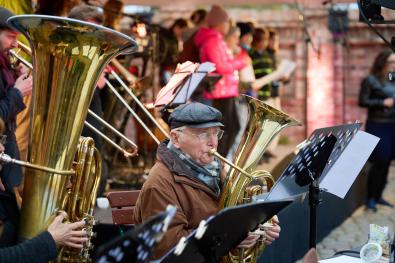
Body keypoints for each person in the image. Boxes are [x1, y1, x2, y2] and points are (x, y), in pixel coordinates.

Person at [134, 102, 281, 259]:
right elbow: (169, 250)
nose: (213, 142)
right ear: (175, 139)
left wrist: (259, 221)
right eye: (203, 134)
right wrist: (231, 236)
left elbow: (233, 218)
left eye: (216, 133)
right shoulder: (159, 184)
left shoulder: (214, 168)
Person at [194, 5, 251, 158]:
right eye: (226, 23)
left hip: (226, 90)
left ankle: (220, 163)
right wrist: (242, 62)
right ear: (219, 24)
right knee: (228, 129)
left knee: (231, 128)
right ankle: (218, 163)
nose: (228, 26)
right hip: (220, 92)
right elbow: (221, 66)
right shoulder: (213, 41)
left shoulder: (216, 40)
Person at [0, 7, 32, 197]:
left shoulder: (4, 63)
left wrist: (13, 76)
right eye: (11, 37)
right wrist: (18, 93)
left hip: (8, 151)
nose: (16, 45)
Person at [359, 50, 395, 212]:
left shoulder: (392, 78)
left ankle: (379, 195)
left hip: (392, 125)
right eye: (391, 62)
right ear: (382, 63)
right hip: (377, 124)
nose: (394, 65)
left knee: (387, 161)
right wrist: (382, 102)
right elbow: (363, 101)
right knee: (379, 160)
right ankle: (370, 198)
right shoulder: (371, 80)